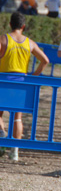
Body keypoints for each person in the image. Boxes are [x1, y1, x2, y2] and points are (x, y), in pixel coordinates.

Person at [0, 12, 49, 162]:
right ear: (23, 26)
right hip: (22, 81)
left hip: (4, 80)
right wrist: (34, 76)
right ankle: (15, 150)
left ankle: (2, 133)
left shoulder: (3, 39)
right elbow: (45, 60)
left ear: (10, 24)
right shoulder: (30, 43)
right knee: (17, 118)